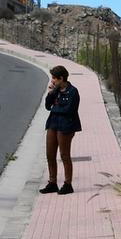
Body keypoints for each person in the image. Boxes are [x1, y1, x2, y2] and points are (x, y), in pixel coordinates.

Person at [40, 65, 81, 195]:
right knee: (50, 154)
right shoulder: (56, 90)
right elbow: (47, 105)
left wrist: (55, 108)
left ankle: (68, 184)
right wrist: (50, 93)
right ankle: (52, 183)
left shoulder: (73, 91)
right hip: (53, 123)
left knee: (64, 155)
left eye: (54, 78)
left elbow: (69, 110)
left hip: (66, 126)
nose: (52, 81)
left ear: (61, 78)